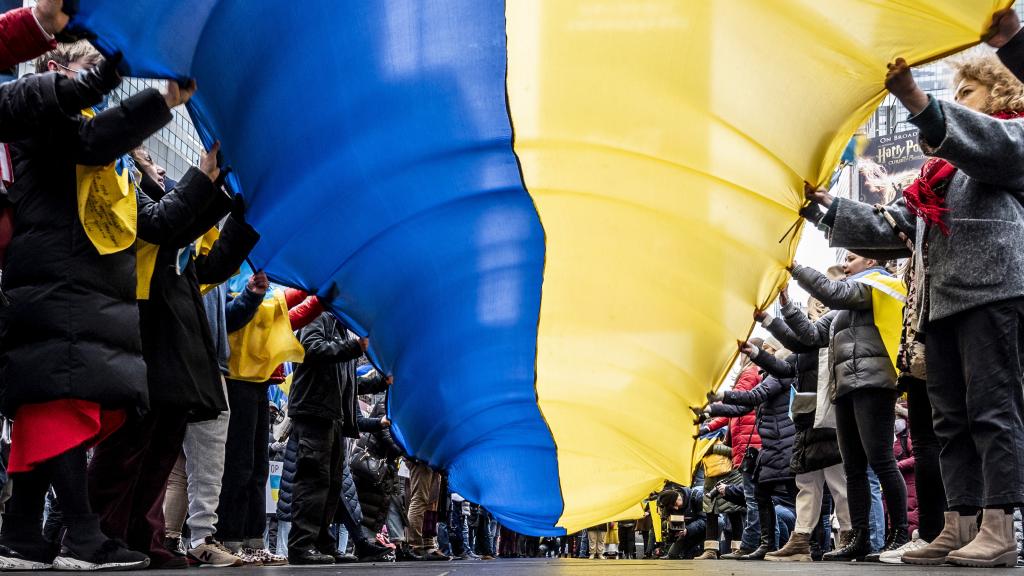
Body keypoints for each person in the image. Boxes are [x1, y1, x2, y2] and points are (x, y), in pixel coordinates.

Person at [803, 22, 1024, 566]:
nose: (957, 102)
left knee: (994, 411)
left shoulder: (1012, 139)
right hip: (943, 303)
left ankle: (1001, 527)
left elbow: (986, 143)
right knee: (951, 420)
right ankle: (959, 523)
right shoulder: (937, 175)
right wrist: (824, 208)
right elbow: (892, 227)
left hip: (994, 292)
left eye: (966, 93)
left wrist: (920, 104)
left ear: (1001, 93)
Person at [0, 40, 198, 570]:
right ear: (54, 68)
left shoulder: (88, 145)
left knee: (55, 405)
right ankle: (82, 535)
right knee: (61, 406)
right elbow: (89, 140)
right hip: (55, 283)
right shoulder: (42, 114)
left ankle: (20, 531)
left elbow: (149, 222)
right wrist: (161, 102)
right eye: (86, 71)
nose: (89, 87)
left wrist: (203, 178)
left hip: (71, 287)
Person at [783, 256, 908, 561]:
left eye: (851, 258)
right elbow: (810, 337)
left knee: (880, 461)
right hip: (844, 388)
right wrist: (783, 309)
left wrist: (795, 268)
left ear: (871, 259)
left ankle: (900, 534)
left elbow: (835, 293)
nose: (847, 264)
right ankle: (860, 538)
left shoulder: (878, 284)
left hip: (874, 382)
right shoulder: (843, 306)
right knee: (853, 467)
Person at [286, 311, 391, 564]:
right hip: (314, 412)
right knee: (314, 482)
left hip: (332, 418)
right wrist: (353, 347)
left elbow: (349, 382)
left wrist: (381, 382)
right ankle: (302, 545)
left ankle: (323, 543)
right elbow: (310, 349)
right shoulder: (319, 319)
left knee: (330, 486)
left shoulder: (340, 330)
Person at [754, 291, 851, 562]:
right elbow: (786, 368)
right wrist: (756, 353)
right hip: (809, 414)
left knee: (837, 479)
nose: (815, 309)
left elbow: (799, 342)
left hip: (830, 410)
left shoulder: (836, 323)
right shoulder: (810, 340)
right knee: (807, 480)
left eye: (818, 304)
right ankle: (801, 540)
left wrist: (773, 317)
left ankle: (848, 536)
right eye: (812, 305)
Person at [707, 346, 796, 560]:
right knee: (761, 493)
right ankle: (768, 545)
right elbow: (742, 408)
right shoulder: (767, 376)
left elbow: (753, 397)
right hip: (771, 444)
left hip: (780, 443)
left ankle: (799, 544)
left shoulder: (777, 375)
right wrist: (711, 412)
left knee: (788, 495)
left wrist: (721, 396)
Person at [698, 340, 763, 557]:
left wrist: (709, 413)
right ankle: (738, 547)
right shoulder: (751, 373)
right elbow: (730, 413)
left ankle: (745, 546)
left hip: (745, 445)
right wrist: (709, 424)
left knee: (744, 502)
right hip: (740, 446)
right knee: (739, 502)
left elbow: (733, 406)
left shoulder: (749, 372)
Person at [690, 429, 745, 560]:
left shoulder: (729, 431)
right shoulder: (701, 435)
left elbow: (738, 451)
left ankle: (738, 549)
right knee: (710, 512)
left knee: (734, 512)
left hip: (731, 475)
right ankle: (710, 550)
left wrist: (713, 448)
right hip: (710, 476)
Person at [656, 488, 706, 559]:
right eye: (673, 507)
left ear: (678, 496)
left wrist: (687, 529)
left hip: (701, 529)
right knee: (672, 555)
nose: (676, 508)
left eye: (675, 504)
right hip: (685, 531)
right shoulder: (670, 503)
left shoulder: (697, 496)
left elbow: (705, 520)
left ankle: (707, 551)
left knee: (719, 522)